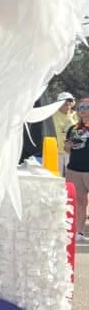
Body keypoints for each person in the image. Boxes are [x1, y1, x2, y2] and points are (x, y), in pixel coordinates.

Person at [64, 97, 89, 243]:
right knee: (79, 203)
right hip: (75, 170)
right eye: (80, 108)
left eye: (86, 108)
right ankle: (79, 232)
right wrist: (67, 147)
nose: (82, 111)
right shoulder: (73, 128)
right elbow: (67, 149)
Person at [52, 92, 76, 175]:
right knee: (55, 178)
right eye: (65, 103)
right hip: (55, 153)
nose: (68, 104)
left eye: (70, 102)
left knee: (71, 179)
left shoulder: (76, 115)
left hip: (72, 153)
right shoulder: (51, 115)